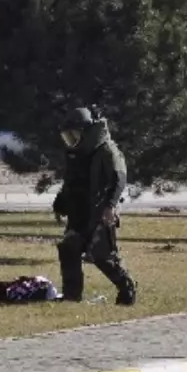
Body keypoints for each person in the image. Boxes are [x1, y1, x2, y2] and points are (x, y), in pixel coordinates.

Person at [52, 107, 137, 305]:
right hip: (78, 213)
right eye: (68, 136)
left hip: (99, 212)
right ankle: (71, 296)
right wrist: (60, 204)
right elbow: (70, 182)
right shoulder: (76, 154)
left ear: (87, 131)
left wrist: (110, 206)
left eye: (74, 135)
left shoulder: (107, 150)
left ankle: (127, 288)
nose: (71, 140)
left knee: (103, 257)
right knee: (68, 248)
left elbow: (119, 178)